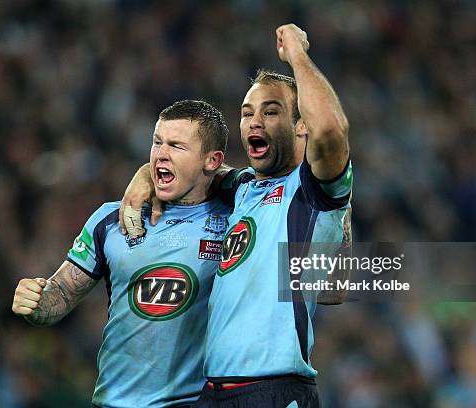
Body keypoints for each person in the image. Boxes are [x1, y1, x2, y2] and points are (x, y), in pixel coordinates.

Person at [121, 24, 352, 407]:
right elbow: (191, 170)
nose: (254, 122)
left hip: (274, 389)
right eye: (247, 113)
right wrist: (146, 173)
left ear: (301, 126)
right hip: (212, 391)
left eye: (271, 111)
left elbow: (330, 129)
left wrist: (296, 55)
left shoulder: (311, 192)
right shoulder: (242, 188)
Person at [12, 100, 232, 408]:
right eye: (157, 143)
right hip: (113, 402)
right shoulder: (111, 219)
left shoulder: (235, 220)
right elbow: (61, 293)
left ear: (212, 161)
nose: (161, 154)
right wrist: (37, 301)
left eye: (177, 146)